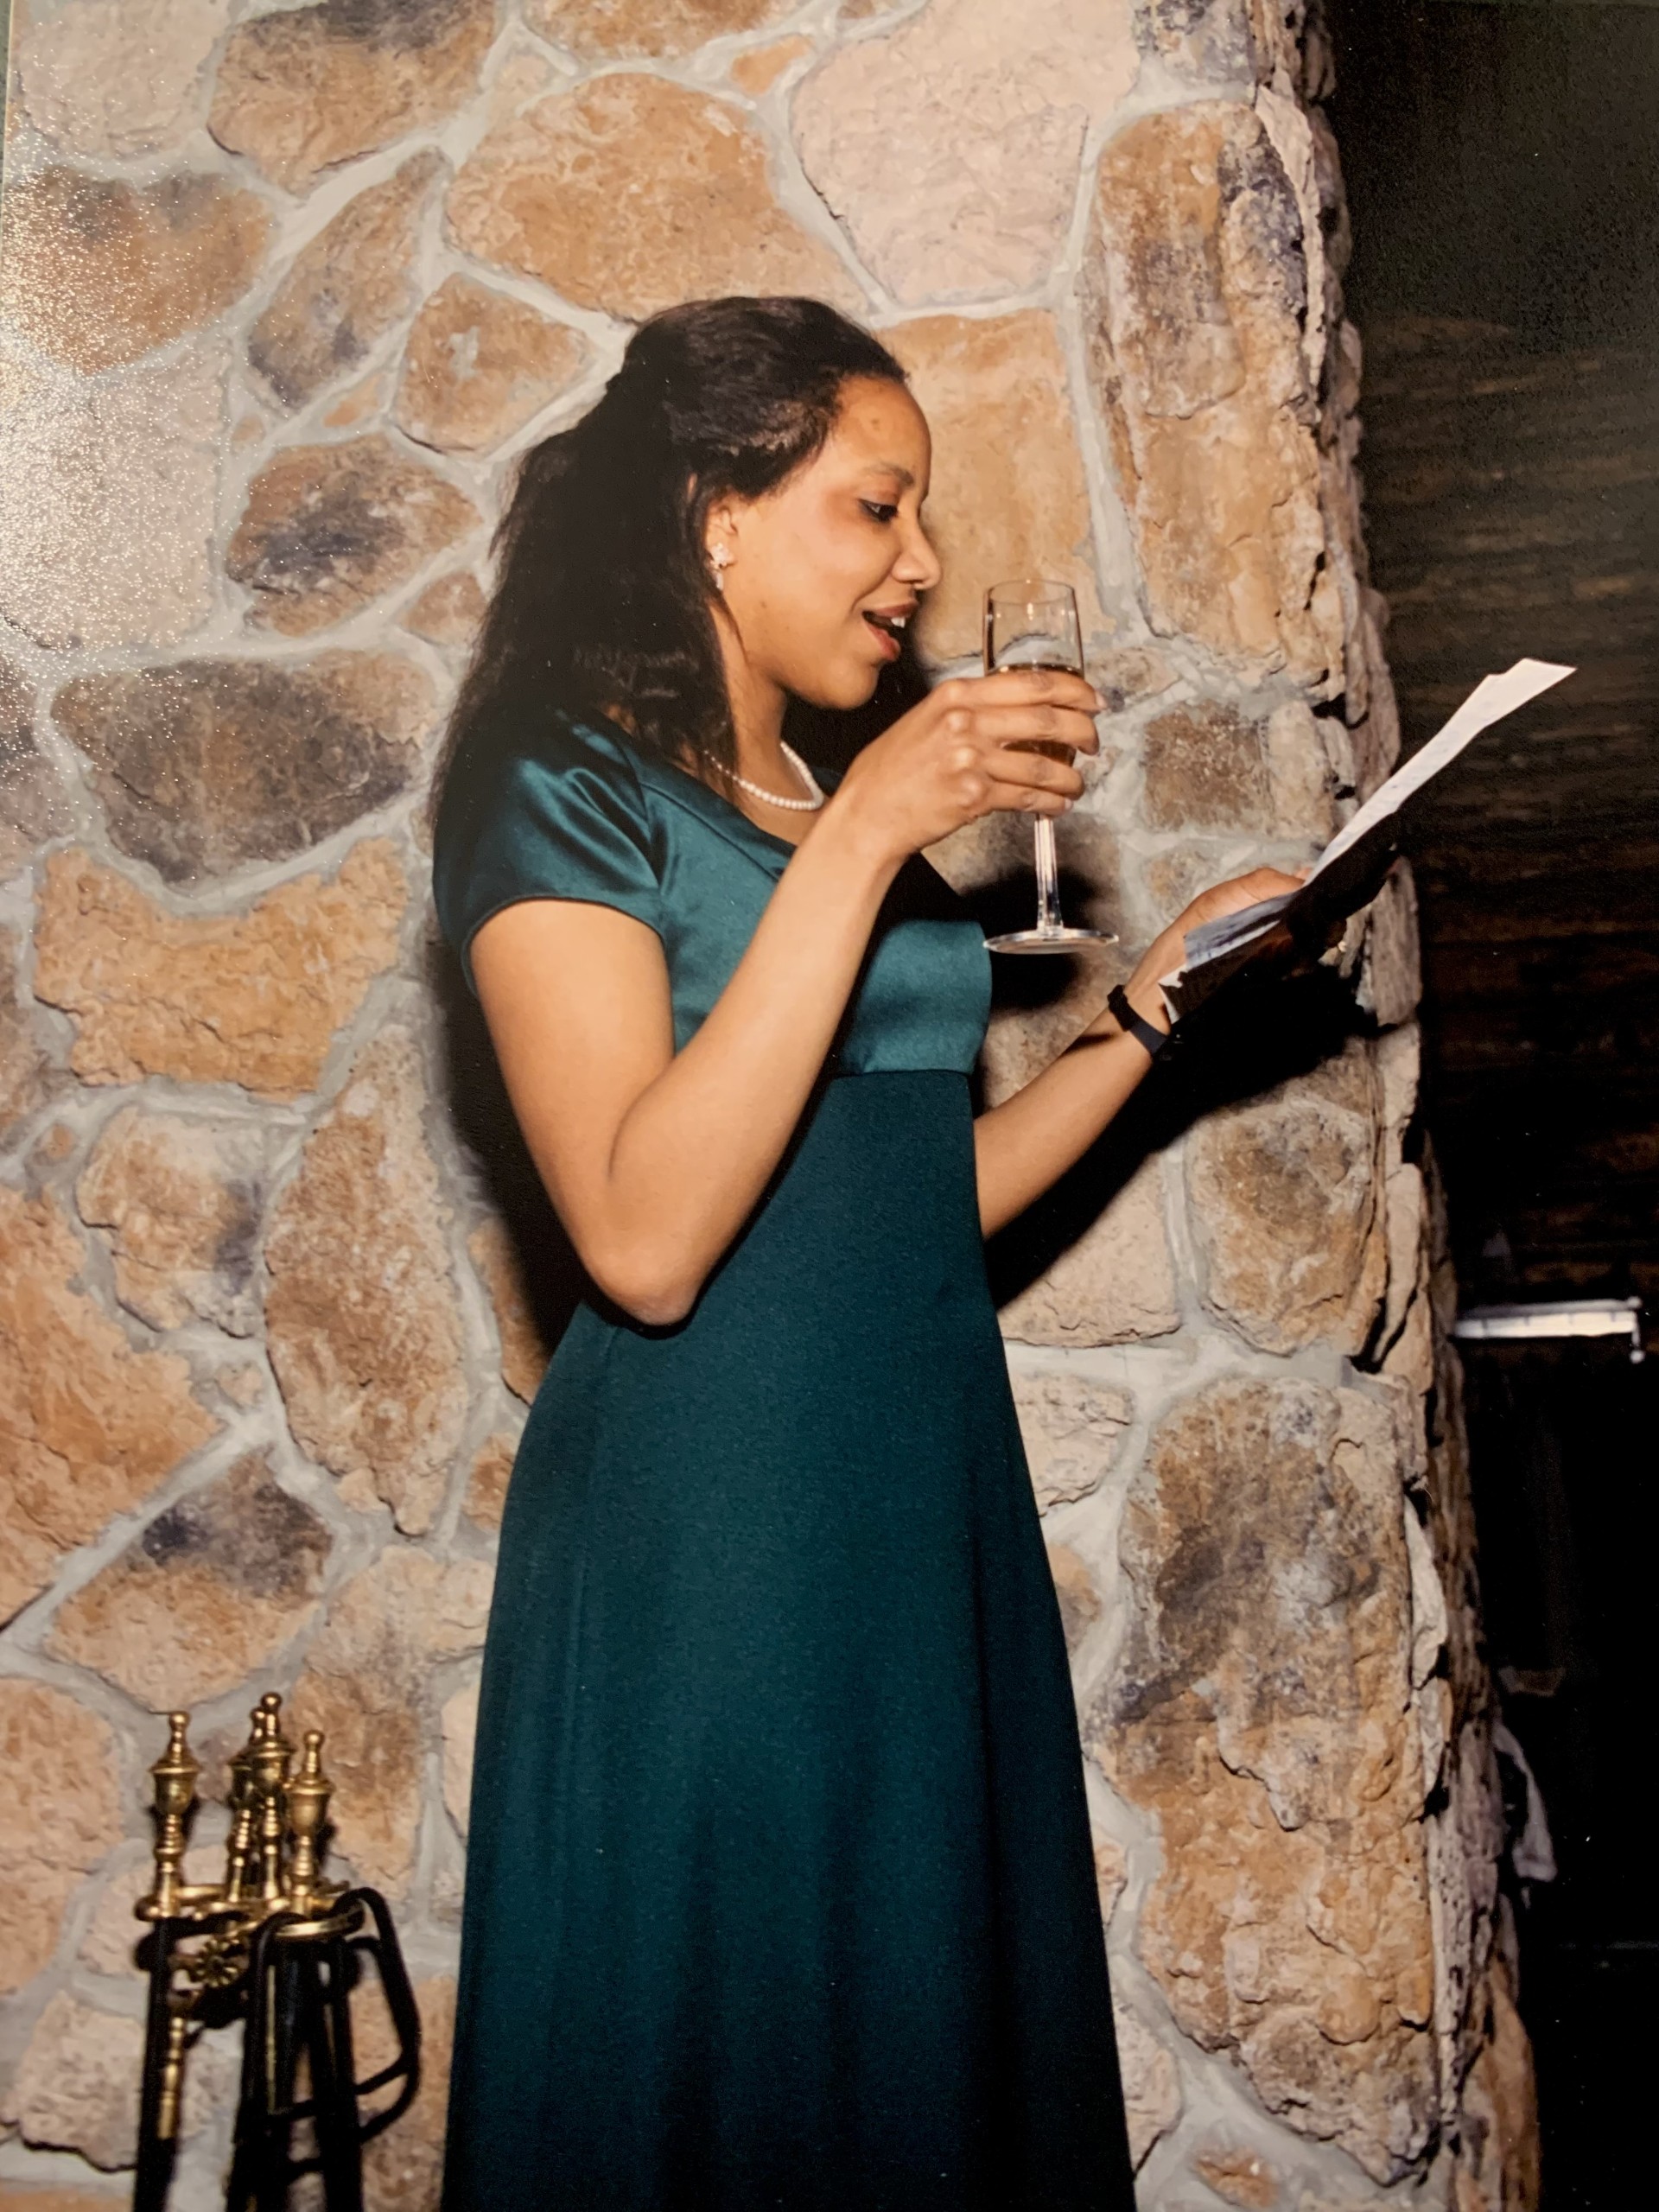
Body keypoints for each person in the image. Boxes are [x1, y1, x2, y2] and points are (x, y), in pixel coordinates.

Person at [430, 295, 1300, 2211]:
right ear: (715, 513)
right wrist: (875, 833)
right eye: (873, 508)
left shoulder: (837, 806)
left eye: (923, 521)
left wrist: (1157, 1006)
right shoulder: (558, 783)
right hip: (713, 1536)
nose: (919, 564)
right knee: (734, 2070)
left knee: (927, 2056)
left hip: (919, 1508)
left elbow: (918, 1189)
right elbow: (646, 1238)